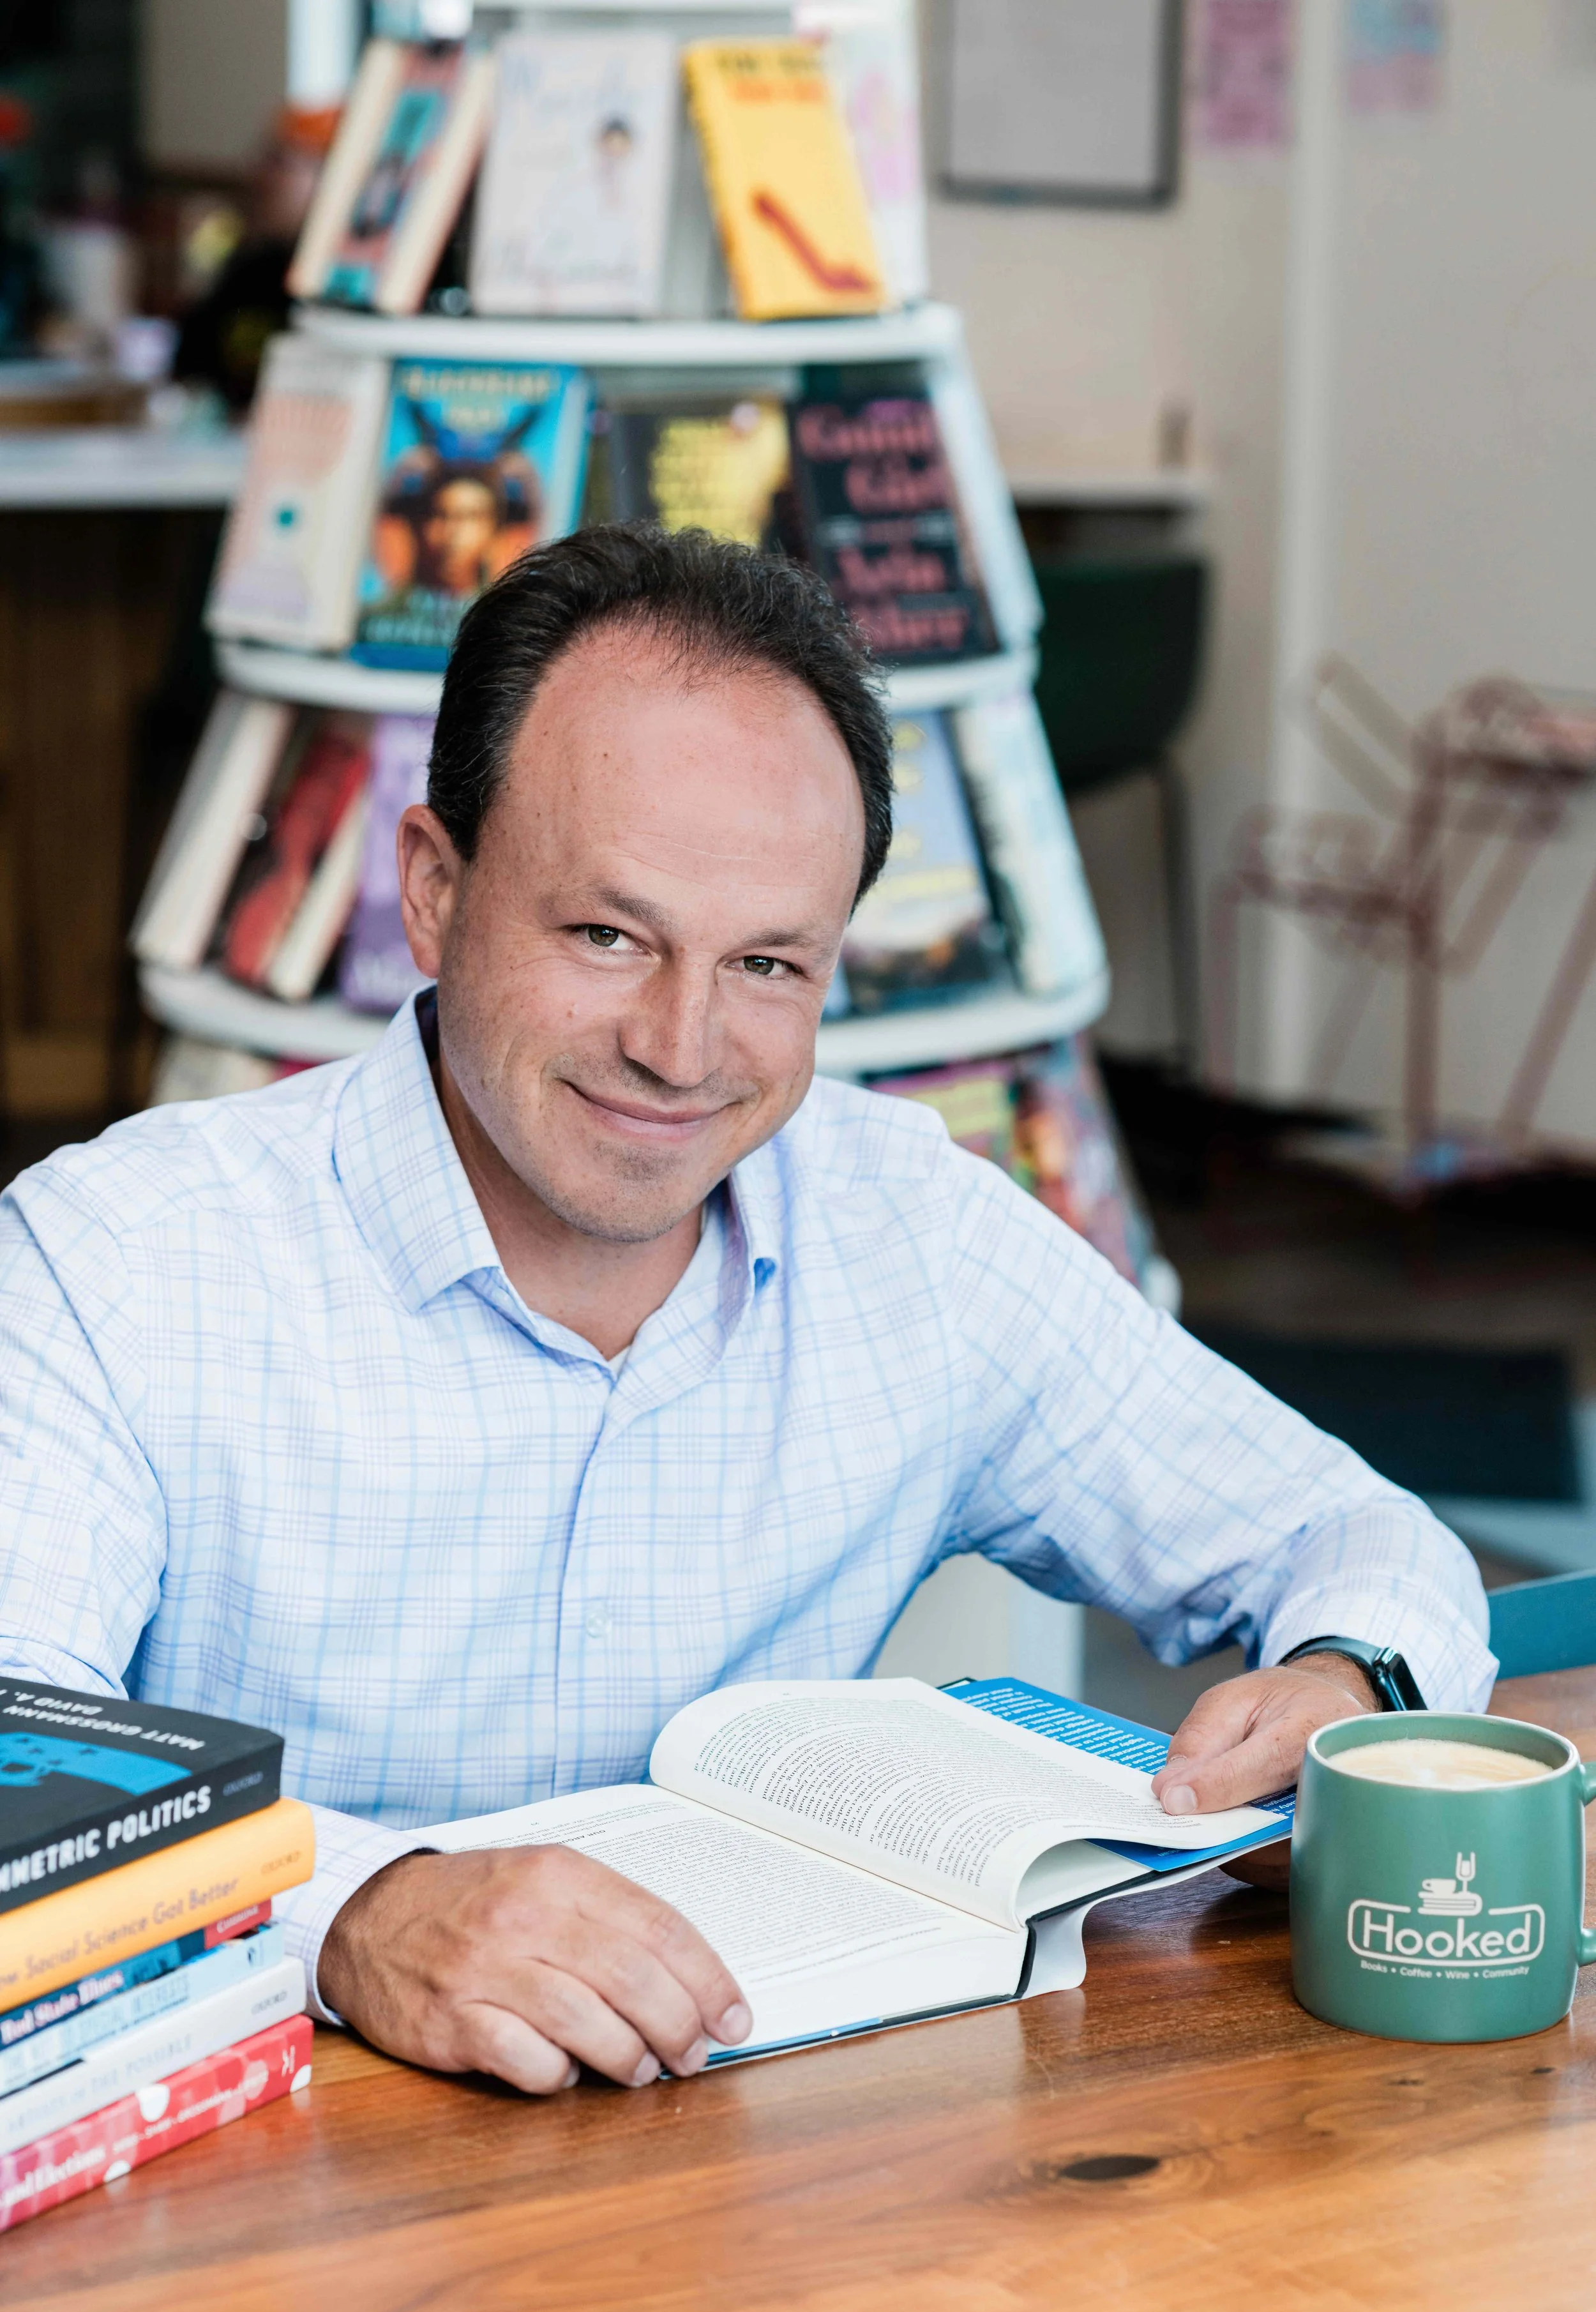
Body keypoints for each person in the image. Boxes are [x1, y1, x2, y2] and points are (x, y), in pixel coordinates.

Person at [0, 526, 1493, 2097]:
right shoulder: (120, 1261)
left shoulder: (915, 1234)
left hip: (776, 2166)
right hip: (282, 2191)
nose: (681, 1046)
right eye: (606, 936)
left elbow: (1363, 1539)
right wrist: (350, 1911)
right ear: (433, 892)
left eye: (769, 963)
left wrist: (1350, 1690)